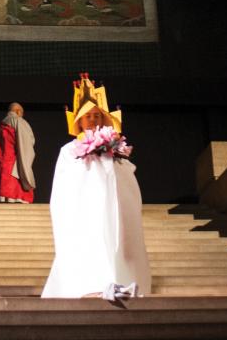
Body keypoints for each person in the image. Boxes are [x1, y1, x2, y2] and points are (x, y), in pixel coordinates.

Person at [42, 73, 150, 299]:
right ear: (79, 121)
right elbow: (65, 183)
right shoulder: (69, 149)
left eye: (97, 115)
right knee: (91, 242)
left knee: (116, 242)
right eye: (87, 116)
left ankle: (119, 282)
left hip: (113, 205)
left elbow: (127, 177)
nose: (92, 120)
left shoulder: (116, 147)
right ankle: (91, 284)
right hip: (85, 207)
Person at [0, 102, 36, 204]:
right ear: (18, 111)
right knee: (14, 178)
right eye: (22, 113)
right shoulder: (17, 121)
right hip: (10, 160)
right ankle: (12, 198)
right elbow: (27, 141)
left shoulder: (0, 126)